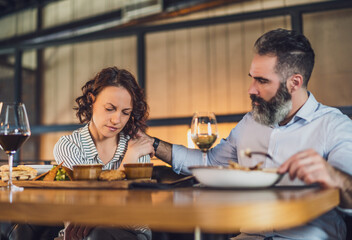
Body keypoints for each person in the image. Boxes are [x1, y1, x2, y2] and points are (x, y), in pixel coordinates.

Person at [145, 28, 352, 239]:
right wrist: (153, 145)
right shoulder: (251, 121)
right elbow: (209, 163)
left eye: (262, 81)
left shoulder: (334, 126)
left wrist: (334, 176)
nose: (251, 89)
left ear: (294, 83)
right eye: (252, 78)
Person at [53, 66, 154, 240]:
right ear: (92, 100)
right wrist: (127, 165)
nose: (116, 120)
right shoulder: (69, 146)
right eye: (110, 108)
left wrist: (129, 156)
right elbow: (82, 208)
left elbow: (138, 217)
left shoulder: (137, 148)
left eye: (125, 113)